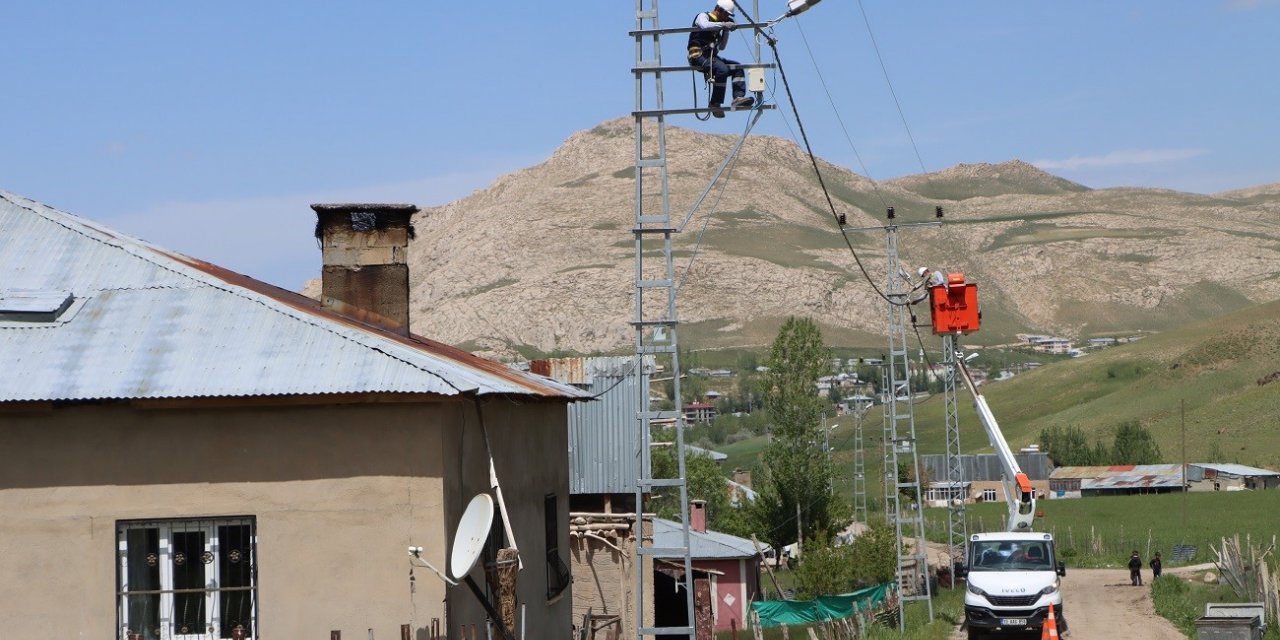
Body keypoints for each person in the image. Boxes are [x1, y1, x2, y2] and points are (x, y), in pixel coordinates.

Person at [688, 0, 754, 118]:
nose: (727, 17)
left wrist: (726, 31)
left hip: (712, 57)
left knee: (736, 67)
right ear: (719, 10)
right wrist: (723, 25)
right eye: (726, 14)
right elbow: (704, 25)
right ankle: (715, 103)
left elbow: (722, 46)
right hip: (697, 55)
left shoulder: (719, 25)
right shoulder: (703, 16)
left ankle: (738, 97)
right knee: (722, 69)